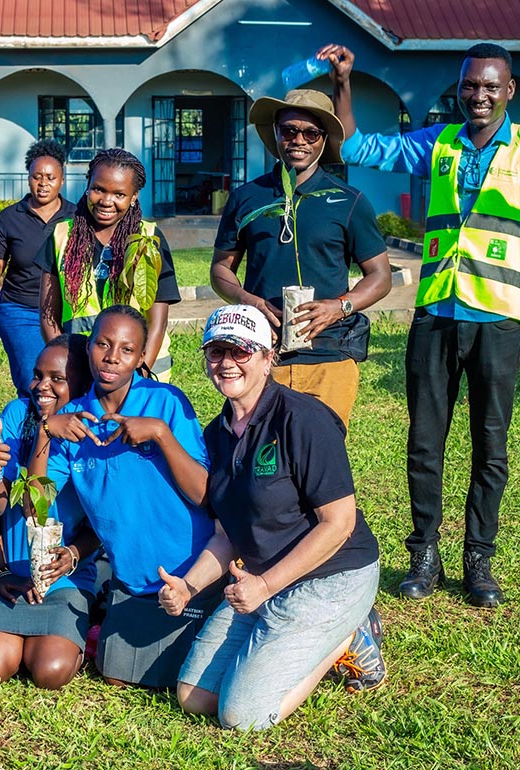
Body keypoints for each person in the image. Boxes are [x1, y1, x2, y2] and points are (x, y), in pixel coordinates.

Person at [326, 41, 520, 606]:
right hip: (436, 314)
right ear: (458, 90)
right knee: (424, 444)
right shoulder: (438, 143)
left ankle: (479, 560)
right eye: (469, 86)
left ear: (509, 91)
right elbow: (359, 146)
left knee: (490, 446)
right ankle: (424, 554)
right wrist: (344, 82)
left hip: (499, 321)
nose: (478, 95)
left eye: (490, 86)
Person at [159, 304, 384, 731]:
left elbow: (340, 522)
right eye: (216, 352)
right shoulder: (216, 434)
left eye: (241, 351)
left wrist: (265, 585)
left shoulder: (304, 419)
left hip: (330, 576)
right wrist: (188, 587)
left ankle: (347, 635)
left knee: (243, 716)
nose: (226, 363)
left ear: (268, 358)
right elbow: (226, 534)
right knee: (193, 697)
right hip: (260, 582)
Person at [32, 305, 220, 688]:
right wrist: (45, 432)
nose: (112, 358)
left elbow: (204, 494)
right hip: (134, 582)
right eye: (103, 344)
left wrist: (161, 435)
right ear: (89, 348)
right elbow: (36, 506)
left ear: (141, 356)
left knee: (198, 681)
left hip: (193, 573)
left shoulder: (166, 402)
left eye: (126, 349)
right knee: (115, 675)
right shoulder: (73, 420)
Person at [210, 89, 390, 427]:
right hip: (261, 355)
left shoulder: (348, 200)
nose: (298, 140)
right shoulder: (247, 198)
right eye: (289, 131)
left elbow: (380, 276)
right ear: (276, 133)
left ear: (323, 139)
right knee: (262, 457)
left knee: (322, 458)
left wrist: (339, 307)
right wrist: (250, 302)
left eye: (310, 133)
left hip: (330, 355)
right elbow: (221, 269)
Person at [0, 334, 99, 689]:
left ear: (83, 385)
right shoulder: (15, 415)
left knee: (49, 671)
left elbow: (100, 520)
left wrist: (72, 555)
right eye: (39, 375)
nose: (42, 386)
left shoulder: (93, 434)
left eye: (57, 379)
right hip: (6, 569)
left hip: (63, 574)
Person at [38, 148, 180, 382]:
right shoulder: (61, 235)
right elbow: (48, 316)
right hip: (81, 369)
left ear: (134, 196)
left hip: (139, 373)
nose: (106, 201)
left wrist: (137, 378)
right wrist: (67, 367)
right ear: (88, 185)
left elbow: (158, 320)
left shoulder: (150, 238)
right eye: (98, 189)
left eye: (119, 194)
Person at [0, 140, 76, 397]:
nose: (43, 183)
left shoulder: (77, 218)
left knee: (70, 380)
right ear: (29, 178)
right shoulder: (10, 217)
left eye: (50, 177)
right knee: (33, 381)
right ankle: (32, 431)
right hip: (21, 311)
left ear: (62, 181)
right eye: (36, 177)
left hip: (66, 312)